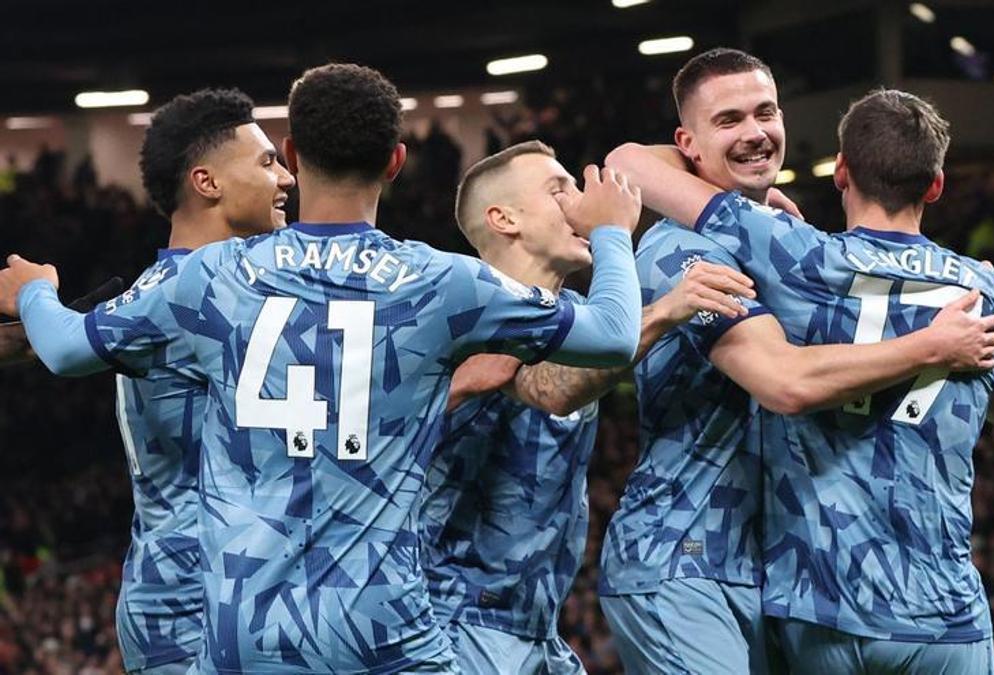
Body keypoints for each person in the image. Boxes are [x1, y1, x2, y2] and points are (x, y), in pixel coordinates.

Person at [0, 63, 644, 673]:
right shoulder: (442, 281)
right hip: (382, 625)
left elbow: (62, 349)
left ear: (294, 153)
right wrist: (612, 232)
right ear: (396, 160)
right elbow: (614, 337)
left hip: (241, 626)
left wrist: (33, 290)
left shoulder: (208, 277)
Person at [491, 48, 994, 675]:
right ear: (686, 143)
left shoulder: (785, 243)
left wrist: (988, 284)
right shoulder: (683, 250)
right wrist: (934, 344)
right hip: (686, 557)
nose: (754, 133)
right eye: (728, 121)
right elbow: (784, 382)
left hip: (778, 571)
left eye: (765, 113)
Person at [608, 87, 994, 674]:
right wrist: (954, 362)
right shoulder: (984, 291)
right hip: (946, 613)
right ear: (935, 185)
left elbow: (628, 164)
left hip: (823, 608)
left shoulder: (801, 260)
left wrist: (724, 176)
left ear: (842, 173)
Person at [422, 140, 754, 674]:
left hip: (536, 626)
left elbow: (653, 157)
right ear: (504, 218)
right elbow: (552, 386)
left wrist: (748, 205)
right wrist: (660, 300)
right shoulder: (464, 306)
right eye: (559, 191)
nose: (579, 203)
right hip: (456, 621)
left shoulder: (579, 316)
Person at [6, 88, 293, 674]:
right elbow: (63, 349)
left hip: (217, 588)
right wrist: (35, 291)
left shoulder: (179, 291)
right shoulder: (191, 288)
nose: (286, 177)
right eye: (267, 162)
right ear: (207, 182)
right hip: (190, 599)